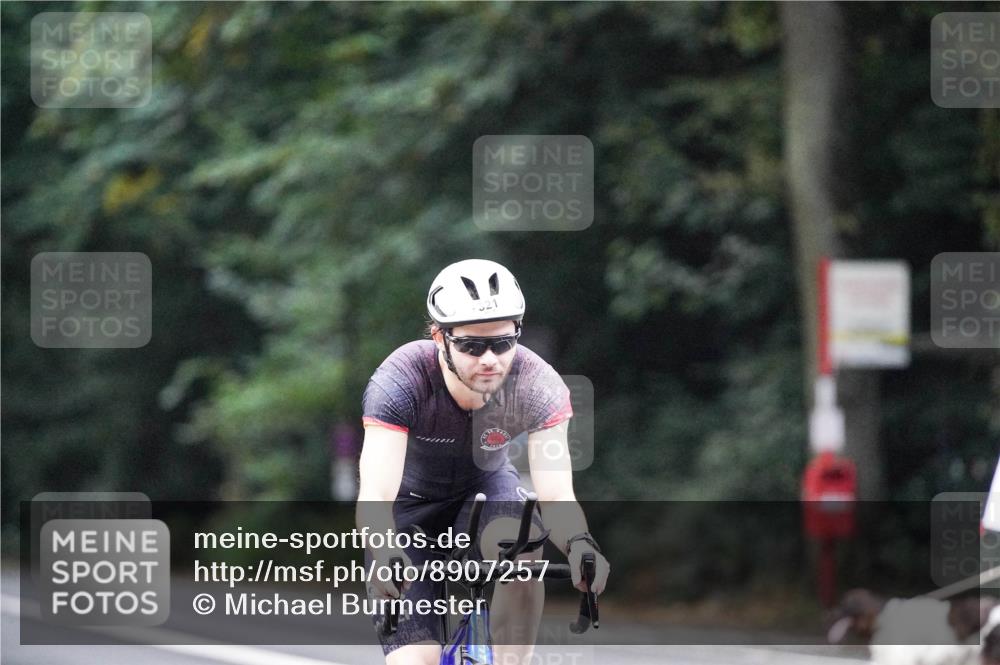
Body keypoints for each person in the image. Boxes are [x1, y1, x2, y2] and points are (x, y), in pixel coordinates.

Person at [356, 259, 611, 665]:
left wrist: (581, 543)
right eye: (473, 346)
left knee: (524, 552)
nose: (490, 359)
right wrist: (384, 550)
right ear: (440, 337)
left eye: (504, 342)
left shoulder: (538, 385)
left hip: (487, 492)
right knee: (414, 661)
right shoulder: (401, 379)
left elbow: (558, 493)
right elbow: (375, 492)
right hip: (410, 509)